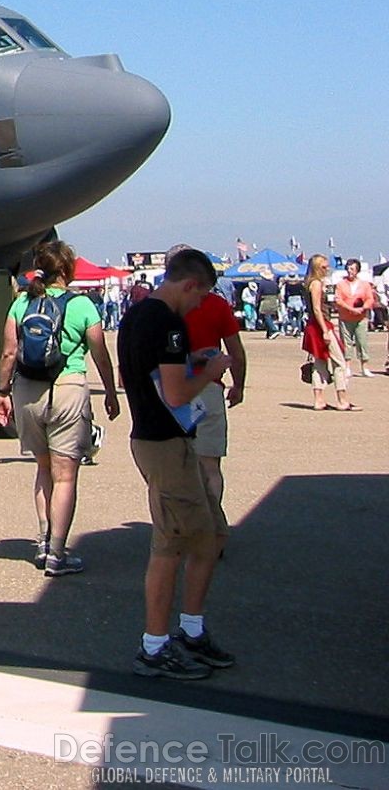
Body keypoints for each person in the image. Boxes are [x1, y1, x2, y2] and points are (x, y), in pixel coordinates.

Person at [119, 246, 235, 680]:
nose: (200, 304)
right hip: (165, 442)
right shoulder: (169, 323)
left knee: (204, 536)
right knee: (170, 544)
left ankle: (188, 629)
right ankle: (155, 645)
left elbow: (155, 376)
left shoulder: (136, 315)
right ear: (189, 284)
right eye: (200, 296)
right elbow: (176, 395)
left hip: (157, 440)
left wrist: (192, 363)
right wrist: (212, 368)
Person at [0, 242, 119, 576]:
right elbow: (100, 353)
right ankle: (58, 553)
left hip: (27, 392)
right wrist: (110, 391)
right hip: (67, 391)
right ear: (67, 270)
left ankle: (43, 542)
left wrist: (2, 392)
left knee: (43, 468)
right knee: (65, 475)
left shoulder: (21, 302)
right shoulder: (82, 306)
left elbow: (8, 353)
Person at [182, 276, 246, 517]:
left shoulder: (165, 304)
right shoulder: (217, 305)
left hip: (175, 386)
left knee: (178, 466)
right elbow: (236, 351)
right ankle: (211, 523)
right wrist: (238, 385)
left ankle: (185, 525)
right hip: (209, 386)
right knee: (210, 465)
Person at [301, 254, 355, 411]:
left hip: (314, 325)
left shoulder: (310, 283)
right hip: (320, 326)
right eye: (324, 267)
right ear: (317, 268)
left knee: (319, 364)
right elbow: (317, 309)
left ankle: (319, 400)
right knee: (339, 362)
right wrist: (325, 330)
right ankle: (342, 399)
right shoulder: (316, 283)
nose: (327, 269)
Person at [333, 259, 373, 377]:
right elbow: (338, 300)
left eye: (352, 269)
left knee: (362, 342)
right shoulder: (341, 284)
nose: (350, 271)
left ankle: (364, 367)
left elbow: (370, 298)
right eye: (348, 268)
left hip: (361, 318)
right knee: (346, 342)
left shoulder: (365, 284)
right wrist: (350, 309)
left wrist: (363, 308)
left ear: (357, 270)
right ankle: (347, 367)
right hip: (345, 317)